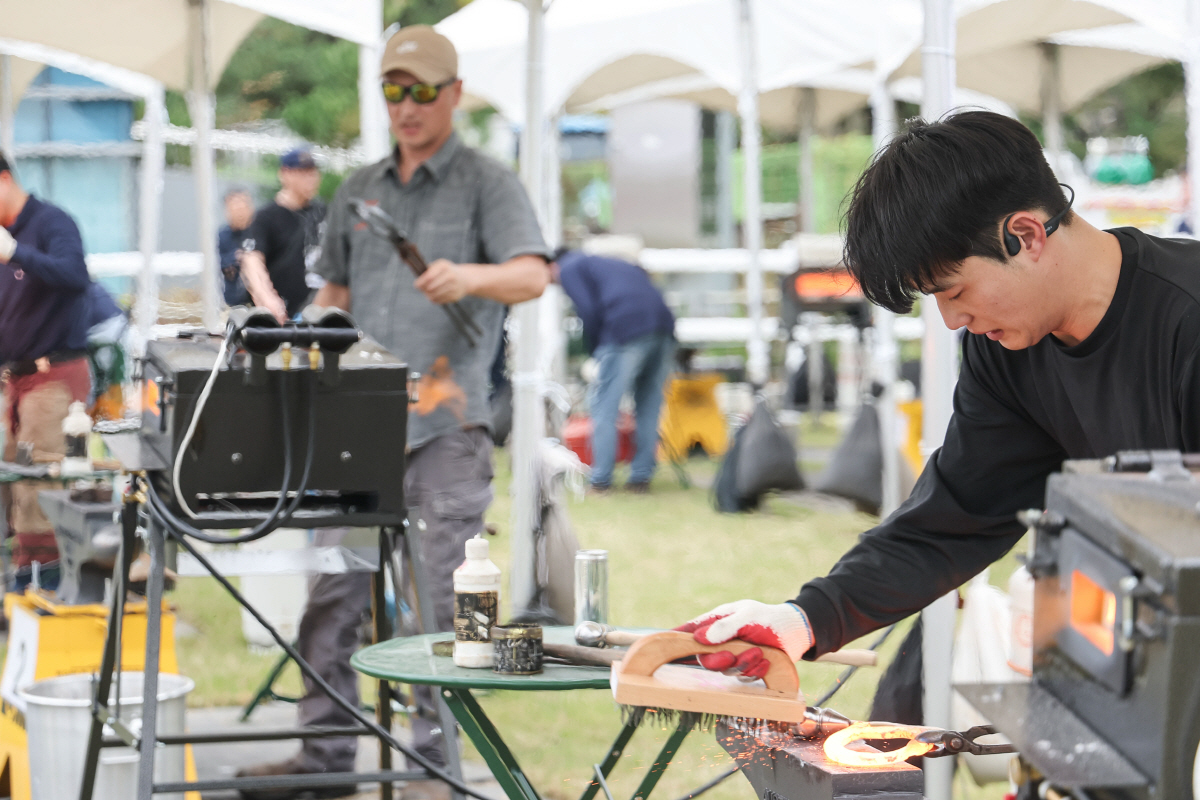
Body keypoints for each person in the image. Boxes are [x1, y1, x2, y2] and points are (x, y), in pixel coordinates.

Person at [676, 110, 1200, 683]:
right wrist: (805, 619)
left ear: (1025, 236)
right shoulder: (1008, 348)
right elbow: (959, 515)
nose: (953, 321)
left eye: (954, 291)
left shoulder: (1186, 320)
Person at [235, 25, 550, 800]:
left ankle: (435, 771)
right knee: (330, 594)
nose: (405, 106)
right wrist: (299, 339)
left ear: (453, 94)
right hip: (354, 427)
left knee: (445, 607)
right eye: (392, 91)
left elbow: (533, 275)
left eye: (420, 91)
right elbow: (334, 292)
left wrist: (469, 277)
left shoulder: (486, 181)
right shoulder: (358, 187)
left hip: (448, 423)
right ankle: (324, 761)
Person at [0, 152, 92, 588]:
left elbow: (75, 275)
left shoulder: (52, 223)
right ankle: (21, 585)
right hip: (15, 380)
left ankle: (52, 586)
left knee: (42, 482)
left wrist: (17, 253)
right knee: (15, 482)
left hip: (54, 378)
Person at [554, 247, 676, 493]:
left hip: (624, 328)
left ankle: (601, 480)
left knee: (604, 406)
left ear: (551, 265)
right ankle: (641, 477)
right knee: (649, 404)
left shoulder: (568, 267)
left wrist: (596, 349)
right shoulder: (610, 262)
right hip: (663, 326)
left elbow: (587, 309)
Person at [240, 148, 326, 322]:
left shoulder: (323, 212)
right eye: (303, 172)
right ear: (285, 174)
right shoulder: (267, 217)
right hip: (284, 316)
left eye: (313, 172)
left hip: (319, 312)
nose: (310, 178)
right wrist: (267, 297)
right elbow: (252, 260)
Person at [218, 188, 254, 306]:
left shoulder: (258, 232)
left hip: (259, 300)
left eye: (243, 205)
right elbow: (221, 266)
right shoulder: (222, 236)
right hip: (233, 302)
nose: (239, 211)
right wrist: (237, 257)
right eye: (234, 206)